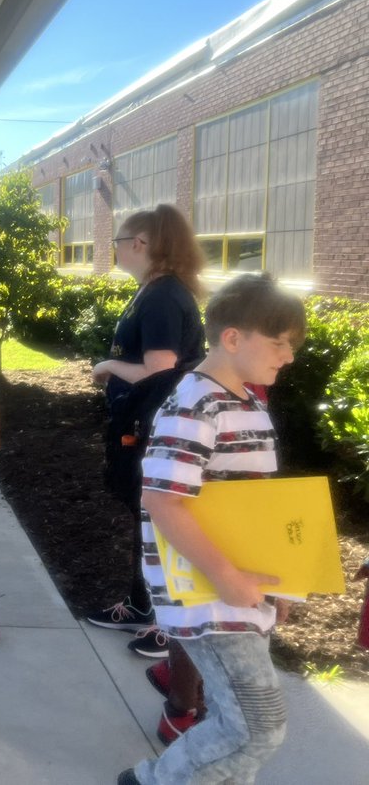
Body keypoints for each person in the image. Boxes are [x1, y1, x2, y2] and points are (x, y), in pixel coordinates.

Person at [117, 273, 305, 785]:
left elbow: (248, 504)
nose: (288, 356)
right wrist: (226, 576)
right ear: (232, 338)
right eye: (280, 342)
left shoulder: (244, 400)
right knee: (257, 726)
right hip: (207, 593)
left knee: (242, 722)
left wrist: (275, 581)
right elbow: (162, 500)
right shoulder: (196, 405)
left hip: (233, 591)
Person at [86, 204, 206, 661]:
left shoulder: (161, 298)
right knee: (144, 517)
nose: (114, 249)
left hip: (155, 427)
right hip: (141, 424)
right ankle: (141, 604)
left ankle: (167, 622)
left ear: (139, 244)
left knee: (159, 520)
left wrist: (107, 366)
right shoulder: (156, 292)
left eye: (118, 241)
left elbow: (160, 369)